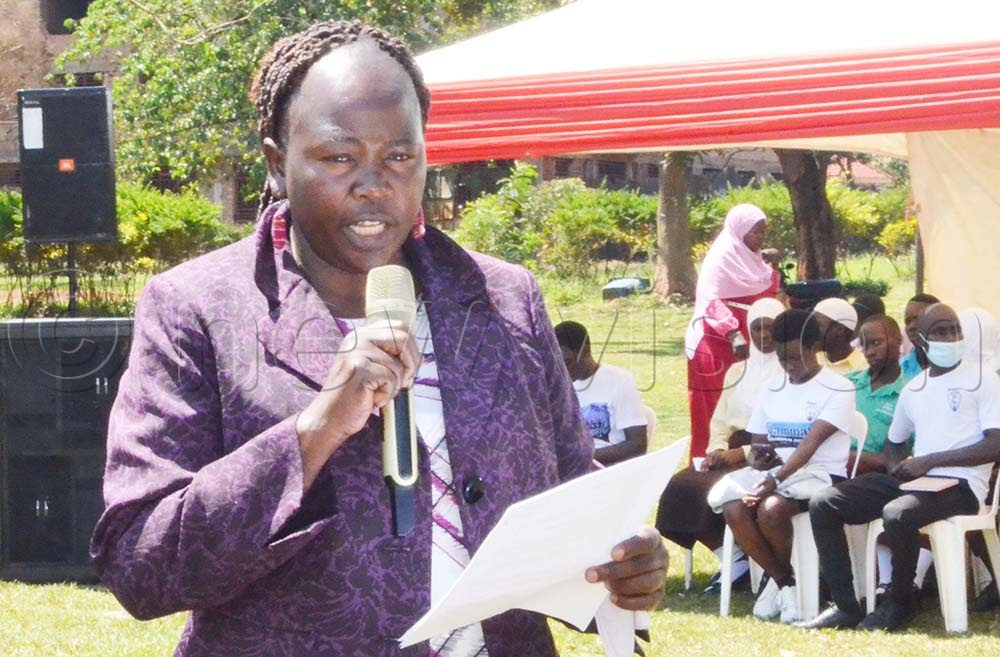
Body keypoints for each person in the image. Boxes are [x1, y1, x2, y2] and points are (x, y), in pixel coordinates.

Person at [90, 21, 667, 657]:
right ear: (278, 162)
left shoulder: (504, 298)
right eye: (339, 158)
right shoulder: (197, 309)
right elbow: (140, 564)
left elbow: (570, 497)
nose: (374, 183)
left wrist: (622, 561)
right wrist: (314, 432)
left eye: (400, 156)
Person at [802, 303, 1000, 632]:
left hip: (963, 486)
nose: (951, 337)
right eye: (941, 331)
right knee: (825, 502)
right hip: (920, 483)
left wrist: (930, 461)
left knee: (897, 513)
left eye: (955, 330)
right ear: (921, 339)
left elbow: (996, 444)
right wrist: (896, 466)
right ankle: (846, 605)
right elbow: (895, 441)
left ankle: (901, 602)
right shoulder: (915, 388)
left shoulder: (983, 381)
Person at [706, 309, 855, 624]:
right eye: (782, 358)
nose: (788, 366)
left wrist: (773, 479)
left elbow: (809, 446)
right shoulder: (773, 388)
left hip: (820, 475)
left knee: (770, 509)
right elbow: (760, 444)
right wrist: (761, 461)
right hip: (776, 474)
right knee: (733, 506)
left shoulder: (838, 388)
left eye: (795, 358)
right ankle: (786, 582)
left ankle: (779, 584)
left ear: (814, 346)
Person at [655, 297, 785, 590]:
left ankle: (749, 560)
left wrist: (742, 453)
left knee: (710, 489)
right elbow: (720, 421)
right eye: (757, 328)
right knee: (681, 486)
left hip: (764, 453)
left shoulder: (788, 371)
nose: (764, 336)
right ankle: (733, 557)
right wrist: (716, 450)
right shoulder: (737, 371)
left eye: (770, 328)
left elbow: (782, 433)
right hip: (730, 450)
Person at [685, 203, 780, 461]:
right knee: (718, 407)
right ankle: (707, 458)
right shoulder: (722, 258)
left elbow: (768, 293)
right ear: (739, 231)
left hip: (755, 335)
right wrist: (733, 333)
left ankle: (746, 454)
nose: (761, 237)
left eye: (763, 231)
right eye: (756, 232)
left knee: (748, 400)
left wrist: (771, 265)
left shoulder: (753, 258)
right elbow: (710, 301)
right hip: (719, 340)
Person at [554, 321, 648, 466]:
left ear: (585, 351)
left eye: (567, 362)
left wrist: (583, 459)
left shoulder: (620, 381)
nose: (562, 370)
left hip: (609, 471)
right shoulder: (558, 387)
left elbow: (637, 445)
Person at [812, 297, 866, 375]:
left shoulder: (864, 366)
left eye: (819, 325)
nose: (812, 330)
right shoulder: (812, 361)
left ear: (840, 330)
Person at [899, 293, 940, 381]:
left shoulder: (959, 366)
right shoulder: (899, 371)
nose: (911, 327)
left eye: (920, 319)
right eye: (908, 321)